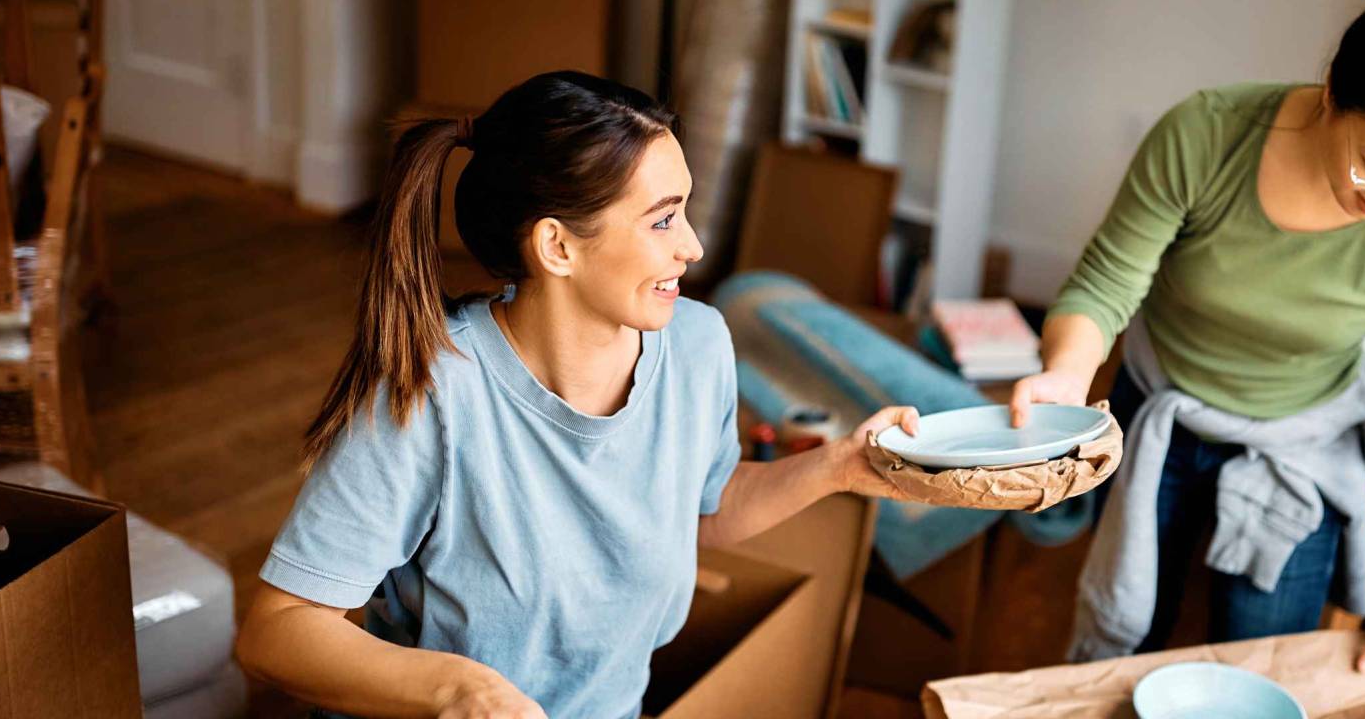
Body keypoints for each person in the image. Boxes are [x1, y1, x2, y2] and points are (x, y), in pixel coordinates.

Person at [234, 71, 916, 718]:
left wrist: (839, 467)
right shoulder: (433, 390)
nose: (696, 246)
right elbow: (277, 631)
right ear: (557, 247)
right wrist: (459, 690)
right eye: (662, 220)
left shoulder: (698, 345)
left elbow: (697, 514)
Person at [1008, 0, 1365, 688]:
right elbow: (1105, 284)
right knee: (1125, 653)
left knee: (1261, 674)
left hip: (1300, 448)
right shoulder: (1209, 134)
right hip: (1161, 407)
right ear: (1335, 91)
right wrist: (1066, 372)